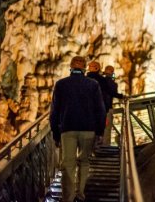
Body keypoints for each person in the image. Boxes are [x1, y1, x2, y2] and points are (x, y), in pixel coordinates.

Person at [50, 56, 105, 202]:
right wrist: (100, 132)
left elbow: (55, 111)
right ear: (85, 68)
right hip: (88, 128)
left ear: (70, 67)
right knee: (84, 161)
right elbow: (100, 109)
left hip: (68, 129)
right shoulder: (93, 84)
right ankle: (80, 194)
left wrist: (55, 132)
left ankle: (67, 197)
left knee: (68, 164)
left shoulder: (61, 84)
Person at [102, 65, 126, 145]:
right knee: (107, 127)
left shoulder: (99, 81)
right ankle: (105, 145)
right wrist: (121, 96)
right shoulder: (112, 84)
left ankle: (97, 146)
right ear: (112, 73)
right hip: (107, 108)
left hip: (98, 108)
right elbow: (113, 93)